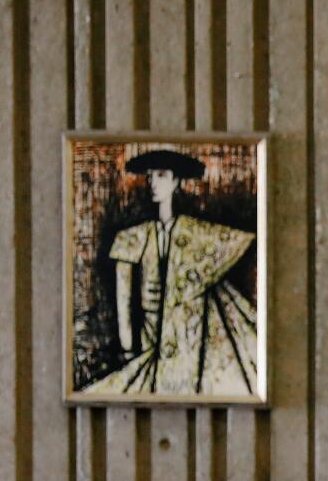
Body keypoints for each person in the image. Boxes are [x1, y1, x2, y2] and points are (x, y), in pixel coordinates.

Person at [82, 148, 259, 398]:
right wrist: (127, 346)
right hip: (148, 335)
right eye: (150, 176)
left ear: (176, 181)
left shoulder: (194, 233)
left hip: (185, 337)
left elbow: (237, 244)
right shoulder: (134, 236)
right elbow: (124, 298)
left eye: (162, 176)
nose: (153, 183)